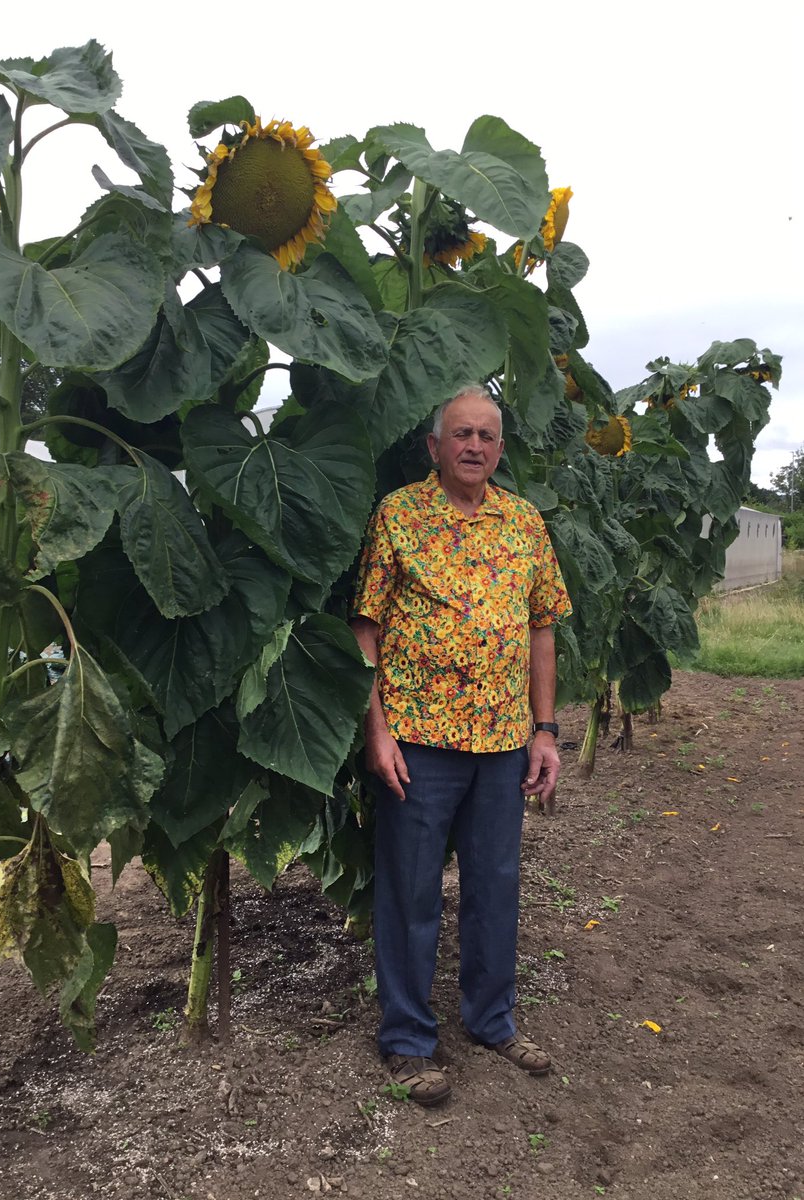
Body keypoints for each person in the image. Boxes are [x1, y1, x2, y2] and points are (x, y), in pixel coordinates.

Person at [350, 383, 572, 1106]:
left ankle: (491, 1020)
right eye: (461, 434)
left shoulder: (524, 522)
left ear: (500, 449)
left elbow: (542, 626)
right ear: (434, 446)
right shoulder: (399, 516)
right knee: (411, 891)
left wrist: (545, 730)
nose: (474, 446)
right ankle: (409, 1041)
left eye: (487, 435)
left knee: (494, 886)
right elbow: (366, 629)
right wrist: (375, 729)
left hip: (505, 739)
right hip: (419, 739)